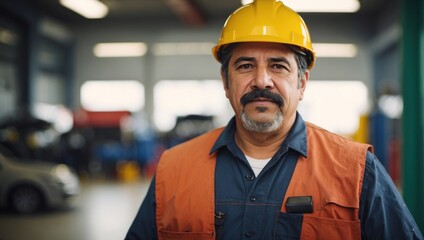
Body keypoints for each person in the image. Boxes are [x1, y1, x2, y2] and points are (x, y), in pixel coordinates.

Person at [125, 0, 423, 239]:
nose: (261, 81)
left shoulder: (357, 171)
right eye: (245, 66)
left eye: (278, 66)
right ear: (225, 82)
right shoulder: (173, 170)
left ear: (302, 83)